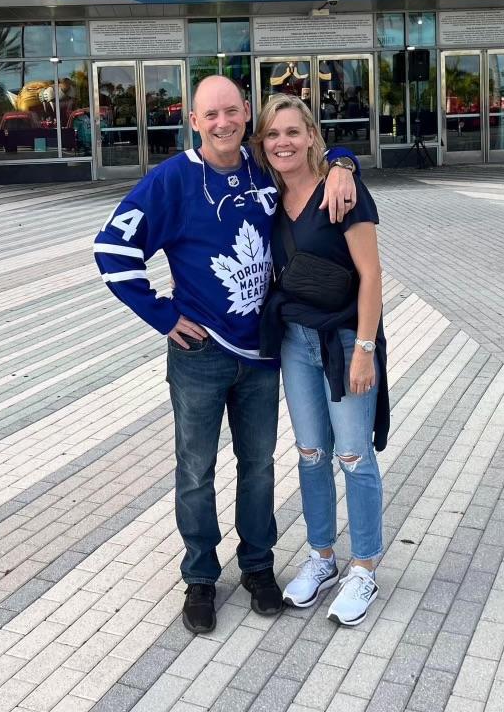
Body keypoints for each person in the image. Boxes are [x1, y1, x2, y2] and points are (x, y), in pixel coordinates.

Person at [93, 76, 358, 635]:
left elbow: (307, 149)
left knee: (259, 468)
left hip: (262, 351)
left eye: (233, 112)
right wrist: (164, 316)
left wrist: (345, 160)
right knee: (196, 469)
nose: (223, 123)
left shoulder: (263, 165)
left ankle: (258, 567)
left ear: (246, 117)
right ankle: (200, 578)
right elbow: (112, 249)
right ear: (194, 120)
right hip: (200, 353)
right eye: (210, 114)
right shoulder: (173, 180)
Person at [253, 94, 389, 627]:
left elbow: (372, 276)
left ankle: (365, 566)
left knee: (353, 455)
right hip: (294, 342)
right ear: (262, 145)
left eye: (292, 131)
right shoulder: (267, 196)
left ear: (312, 135)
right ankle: (322, 558)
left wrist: (365, 348)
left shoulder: (345, 191)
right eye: (271, 135)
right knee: (310, 452)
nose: (282, 142)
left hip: (344, 340)